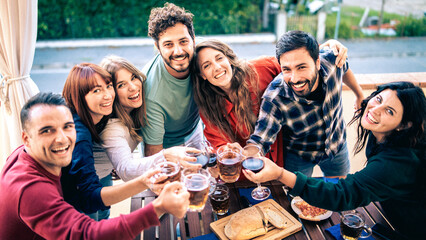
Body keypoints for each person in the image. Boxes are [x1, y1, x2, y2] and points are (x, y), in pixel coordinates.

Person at [244, 82, 426, 239]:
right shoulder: (384, 135)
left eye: (389, 111)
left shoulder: (397, 163)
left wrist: (279, 173)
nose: (375, 110)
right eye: (378, 99)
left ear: (404, 125)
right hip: (391, 214)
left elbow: (342, 194)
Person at [0, 92, 189, 239]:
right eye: (47, 131)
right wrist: (158, 207)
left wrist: (145, 181)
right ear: (26, 138)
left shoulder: (26, 155)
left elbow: (89, 197)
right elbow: (87, 234)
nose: (61, 138)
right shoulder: (30, 189)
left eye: (67, 126)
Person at [248, 30, 364, 177]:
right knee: (298, 198)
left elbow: (344, 68)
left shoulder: (332, 61)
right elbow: (260, 140)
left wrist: (359, 94)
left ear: (317, 63)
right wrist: (244, 155)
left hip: (336, 145)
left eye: (301, 67)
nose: (294, 78)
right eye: (287, 69)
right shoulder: (274, 97)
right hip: (299, 156)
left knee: (339, 192)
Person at [61, 63, 166, 217]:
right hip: (77, 193)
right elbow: (88, 195)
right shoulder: (80, 134)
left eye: (108, 86)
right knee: (94, 224)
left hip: (102, 175)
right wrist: (167, 155)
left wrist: (113, 161)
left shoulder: (103, 115)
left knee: (104, 216)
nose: (107, 95)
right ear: (79, 96)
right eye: (97, 90)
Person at [99, 55, 196, 181]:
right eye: (121, 85)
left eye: (133, 78)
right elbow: (126, 170)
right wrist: (166, 156)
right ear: (112, 92)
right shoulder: (112, 128)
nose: (133, 87)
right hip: (91, 179)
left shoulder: (135, 111)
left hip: (106, 171)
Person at [192, 39, 284, 167]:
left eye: (219, 58)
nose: (217, 67)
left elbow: (296, 62)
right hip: (249, 170)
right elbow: (220, 145)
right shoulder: (209, 107)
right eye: (207, 65)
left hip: (287, 155)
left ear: (228, 59)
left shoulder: (259, 69)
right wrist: (229, 150)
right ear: (202, 75)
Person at [141, 2, 202, 156]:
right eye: (168, 44)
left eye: (183, 41)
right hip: (165, 147)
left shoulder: (205, 60)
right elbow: (153, 156)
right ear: (157, 47)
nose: (178, 51)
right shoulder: (150, 90)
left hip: (195, 130)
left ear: (193, 40)